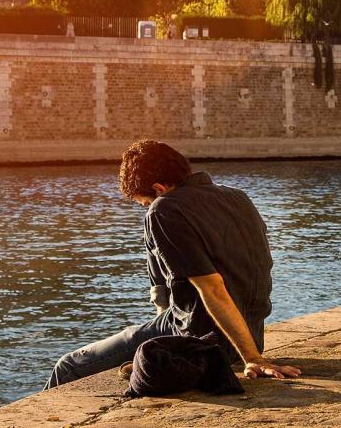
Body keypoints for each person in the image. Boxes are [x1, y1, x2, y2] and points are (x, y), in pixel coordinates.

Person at [46, 141, 300, 389]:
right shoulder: (237, 197)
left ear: (158, 189)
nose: (148, 210)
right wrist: (252, 349)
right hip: (252, 335)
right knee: (138, 346)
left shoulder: (164, 209)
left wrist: (253, 359)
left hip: (203, 342)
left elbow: (212, 288)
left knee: (68, 366)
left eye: (145, 203)